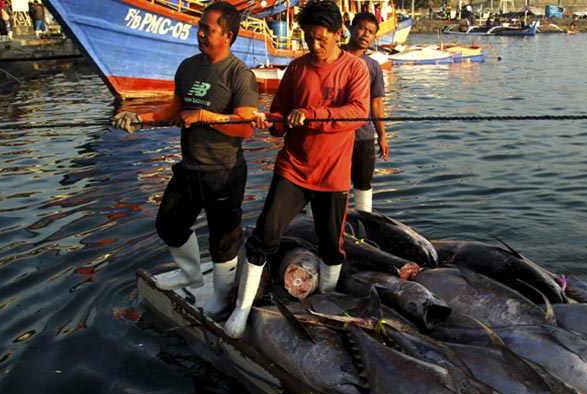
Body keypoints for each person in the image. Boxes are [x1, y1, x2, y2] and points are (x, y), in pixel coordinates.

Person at [223, 0, 370, 338]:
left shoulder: (354, 70)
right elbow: (280, 115)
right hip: (293, 168)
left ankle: (326, 301)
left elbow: (358, 113)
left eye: (322, 39)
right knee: (263, 237)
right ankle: (242, 310)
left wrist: (312, 113)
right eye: (309, 39)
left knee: (331, 246)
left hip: (333, 174)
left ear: (338, 34)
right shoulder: (297, 69)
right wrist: (269, 123)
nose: (315, 46)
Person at [112, 2, 259, 317]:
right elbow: (174, 109)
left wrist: (206, 116)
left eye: (208, 29)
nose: (200, 33)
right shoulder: (188, 67)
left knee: (223, 241)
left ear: (228, 35)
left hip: (223, 171)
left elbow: (246, 126)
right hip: (189, 166)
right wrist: (139, 118)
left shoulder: (239, 74)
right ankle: (190, 273)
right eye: (200, 27)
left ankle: (221, 298)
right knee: (168, 224)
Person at [342, 11, 388, 213]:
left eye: (370, 32)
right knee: (333, 185)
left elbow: (376, 102)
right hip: (336, 134)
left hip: (363, 136)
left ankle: (363, 224)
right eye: (361, 28)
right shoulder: (334, 57)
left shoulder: (373, 66)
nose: (365, 34)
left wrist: (382, 136)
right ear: (351, 29)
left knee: (363, 184)